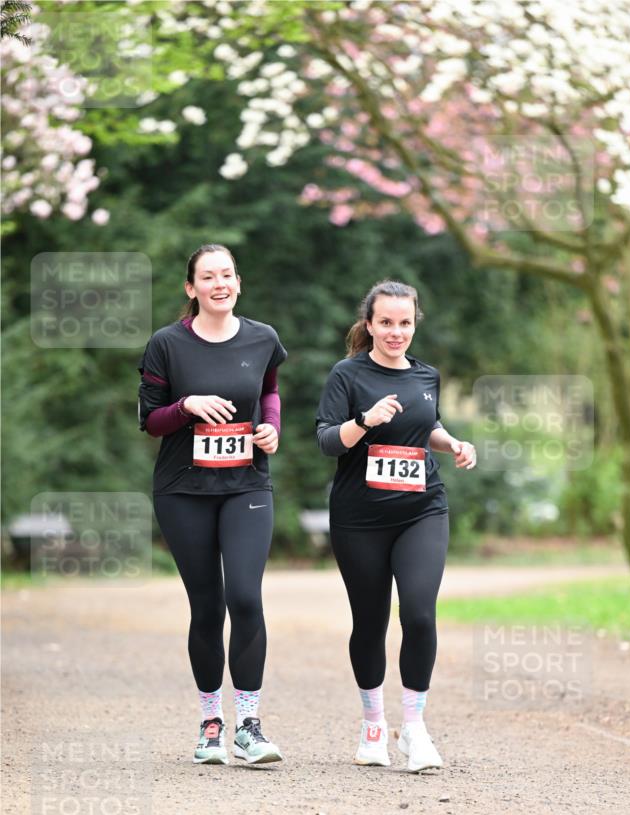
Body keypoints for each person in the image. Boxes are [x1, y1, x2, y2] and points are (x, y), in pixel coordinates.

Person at [316, 279, 476, 773]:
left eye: (404, 323)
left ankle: (415, 728)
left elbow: (426, 427)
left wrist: (453, 444)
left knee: (421, 615)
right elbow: (327, 441)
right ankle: (372, 726)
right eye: (385, 322)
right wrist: (364, 421)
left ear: (414, 324)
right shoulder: (347, 374)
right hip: (359, 518)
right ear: (369, 324)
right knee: (370, 622)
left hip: (421, 510)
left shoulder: (426, 375)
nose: (395, 332)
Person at [138, 244, 287, 765]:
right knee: (207, 605)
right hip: (183, 490)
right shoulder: (167, 345)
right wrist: (187, 406)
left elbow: (269, 391)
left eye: (227, 274)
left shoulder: (262, 337)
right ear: (191, 288)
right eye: (208, 276)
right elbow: (151, 419)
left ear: (238, 283)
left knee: (245, 597)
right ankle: (210, 724)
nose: (218, 283)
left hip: (247, 484)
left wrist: (272, 427)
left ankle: (248, 723)